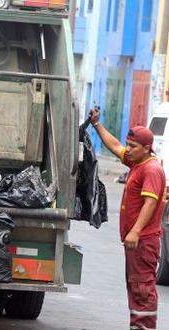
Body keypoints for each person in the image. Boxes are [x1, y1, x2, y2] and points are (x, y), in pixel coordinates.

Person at [90, 107, 165, 330]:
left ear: (147, 148)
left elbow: (150, 203)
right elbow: (114, 146)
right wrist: (97, 125)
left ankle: (144, 327)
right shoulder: (137, 162)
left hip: (143, 242)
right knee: (135, 287)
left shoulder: (150, 169)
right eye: (129, 145)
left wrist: (135, 231)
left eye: (133, 146)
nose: (128, 150)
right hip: (137, 243)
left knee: (142, 288)